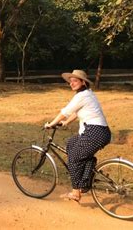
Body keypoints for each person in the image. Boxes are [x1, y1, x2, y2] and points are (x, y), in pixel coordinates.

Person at [44, 69, 111, 202]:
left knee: (73, 159)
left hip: (94, 133)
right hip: (98, 132)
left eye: (75, 81)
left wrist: (51, 124)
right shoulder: (88, 94)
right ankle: (84, 182)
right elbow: (76, 112)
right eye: (70, 81)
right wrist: (66, 123)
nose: (71, 83)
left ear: (83, 82)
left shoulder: (82, 96)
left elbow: (65, 111)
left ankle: (76, 192)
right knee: (71, 143)